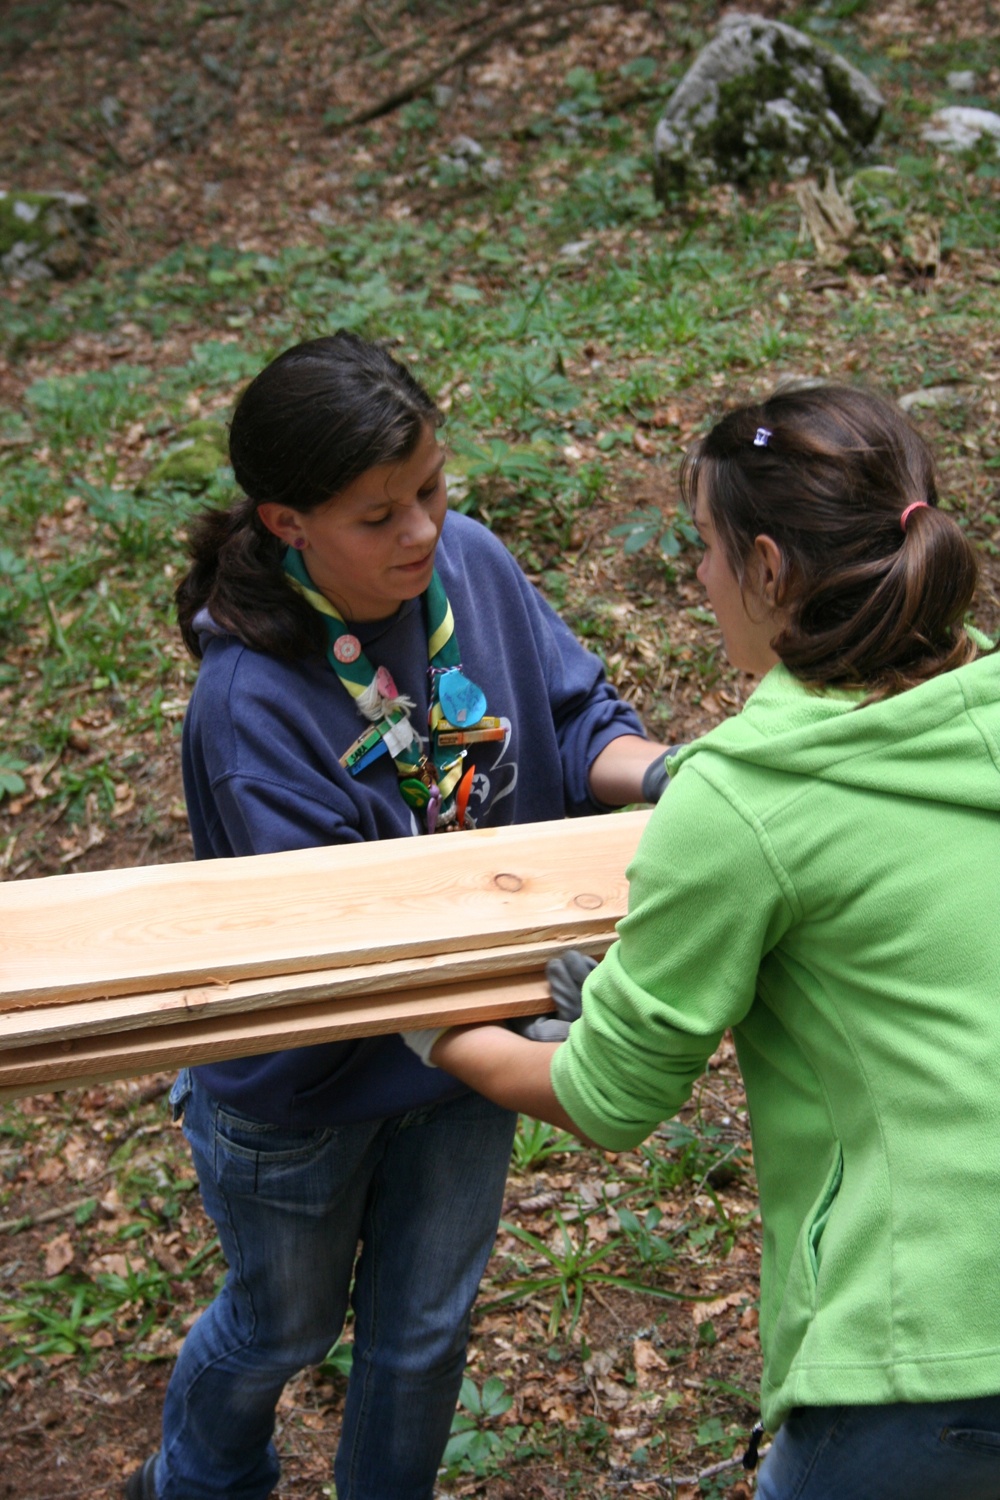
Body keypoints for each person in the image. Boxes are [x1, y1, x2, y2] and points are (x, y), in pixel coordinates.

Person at [416, 384, 1000, 1500]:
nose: (699, 580)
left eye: (704, 551)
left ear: (768, 569)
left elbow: (609, 1097)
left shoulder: (741, 804)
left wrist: (428, 1026)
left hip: (926, 1350)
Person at [125, 331, 670, 1500]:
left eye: (429, 486)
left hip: (461, 1060)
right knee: (283, 1327)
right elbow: (350, 962)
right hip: (307, 1090)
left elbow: (575, 718)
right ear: (286, 524)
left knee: (422, 1336)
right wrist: (531, 1046)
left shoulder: (466, 563)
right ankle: (200, 1482)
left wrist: (665, 776)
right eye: (378, 517)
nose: (422, 529)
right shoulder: (250, 708)